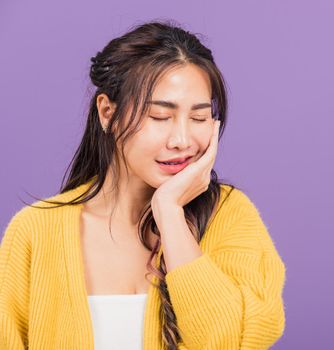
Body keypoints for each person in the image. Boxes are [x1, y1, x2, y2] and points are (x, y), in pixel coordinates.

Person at [0, 20, 286, 350]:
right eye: (160, 117)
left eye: (198, 117)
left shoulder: (230, 216)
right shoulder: (35, 232)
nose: (181, 140)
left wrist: (170, 215)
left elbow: (227, 343)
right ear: (108, 112)